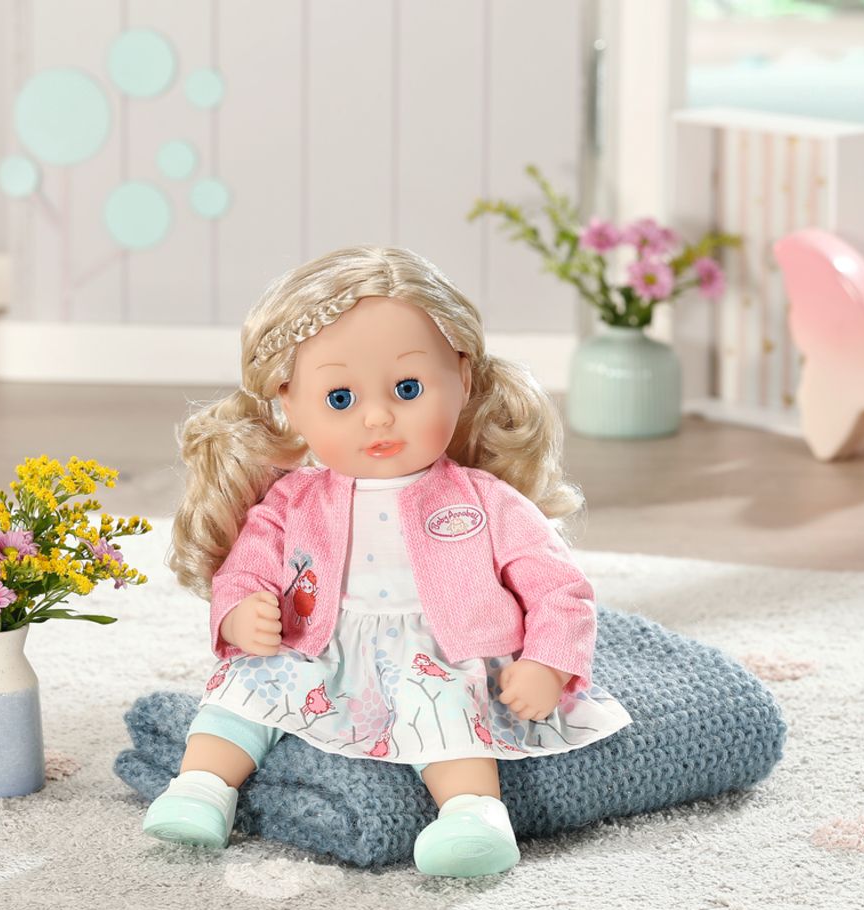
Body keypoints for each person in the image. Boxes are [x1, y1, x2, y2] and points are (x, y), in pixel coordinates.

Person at [146, 245, 632, 877]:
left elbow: (559, 588)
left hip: (438, 651)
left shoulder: (484, 500)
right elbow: (246, 570)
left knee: (450, 714)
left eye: (408, 389)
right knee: (244, 690)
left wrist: (548, 661)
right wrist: (240, 613)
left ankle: (472, 815)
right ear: (289, 402)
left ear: (462, 378)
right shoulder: (293, 501)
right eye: (340, 398)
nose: (377, 416)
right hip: (318, 643)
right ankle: (202, 787)